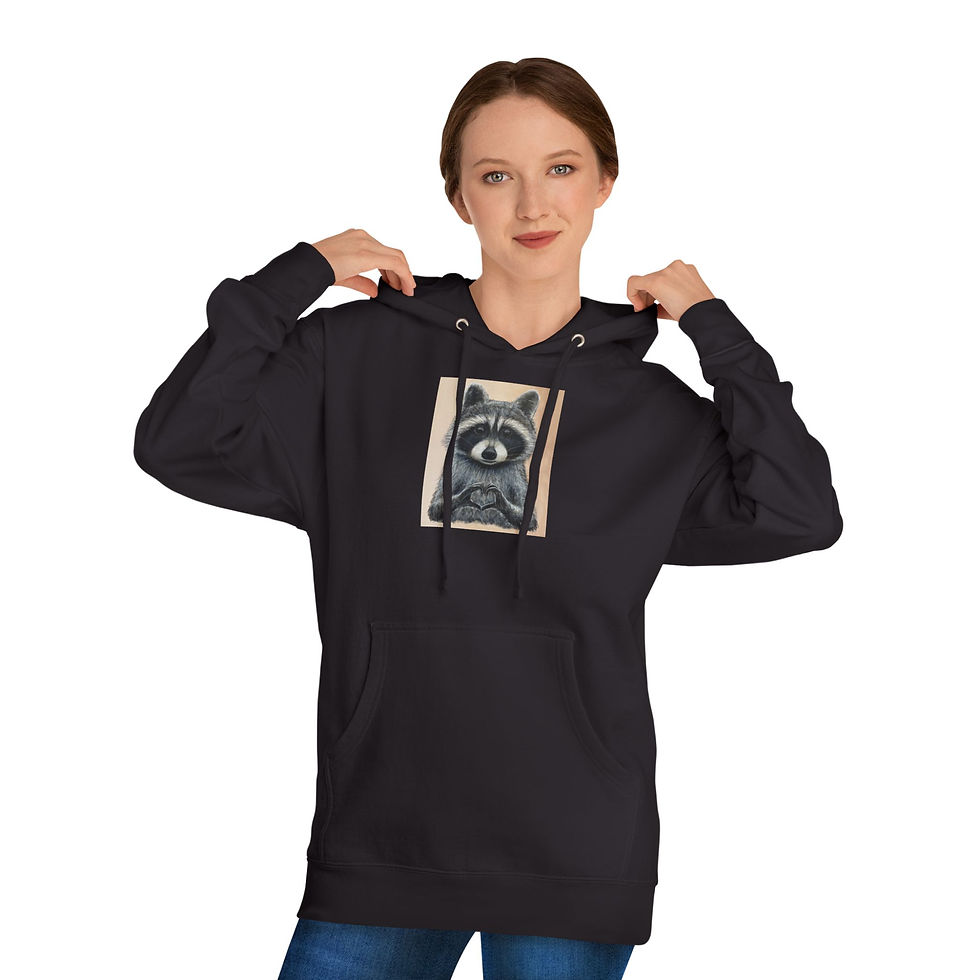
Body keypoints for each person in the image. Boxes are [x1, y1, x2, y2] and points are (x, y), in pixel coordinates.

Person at [133, 57, 843, 979]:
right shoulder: (348, 361)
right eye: (497, 175)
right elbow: (179, 441)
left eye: (561, 168)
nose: (533, 204)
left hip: (573, 851)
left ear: (605, 182)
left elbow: (798, 511)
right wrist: (292, 278)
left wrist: (716, 329)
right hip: (381, 838)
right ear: (459, 197)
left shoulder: (651, 412)